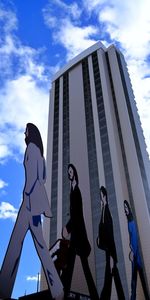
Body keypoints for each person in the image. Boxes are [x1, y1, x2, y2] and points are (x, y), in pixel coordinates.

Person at [0, 123, 64, 300]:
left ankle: (57, 290)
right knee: (19, 243)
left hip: (30, 204)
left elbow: (34, 178)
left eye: (26, 130)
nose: (24, 133)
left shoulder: (32, 149)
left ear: (31, 133)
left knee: (27, 244)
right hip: (30, 204)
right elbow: (42, 177)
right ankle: (57, 290)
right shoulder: (39, 153)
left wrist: (27, 194)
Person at [61, 164, 99, 300]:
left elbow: (77, 214)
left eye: (71, 171)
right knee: (71, 266)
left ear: (75, 173)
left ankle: (63, 292)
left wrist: (68, 227)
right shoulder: (72, 190)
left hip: (78, 234)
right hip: (76, 234)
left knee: (80, 267)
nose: (69, 173)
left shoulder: (76, 191)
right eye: (68, 172)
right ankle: (63, 292)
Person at [97, 186, 125, 300]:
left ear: (104, 196)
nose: (100, 197)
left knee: (108, 281)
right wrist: (99, 240)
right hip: (108, 252)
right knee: (112, 278)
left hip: (110, 252)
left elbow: (110, 235)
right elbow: (103, 231)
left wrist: (112, 257)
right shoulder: (103, 210)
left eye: (100, 195)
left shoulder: (107, 211)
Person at [124, 200, 149, 300]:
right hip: (135, 254)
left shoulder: (132, 220)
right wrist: (130, 244)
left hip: (136, 255)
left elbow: (134, 235)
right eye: (124, 208)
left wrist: (133, 249)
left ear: (129, 208)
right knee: (136, 280)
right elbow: (132, 235)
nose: (125, 210)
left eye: (125, 208)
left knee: (137, 279)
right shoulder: (129, 220)